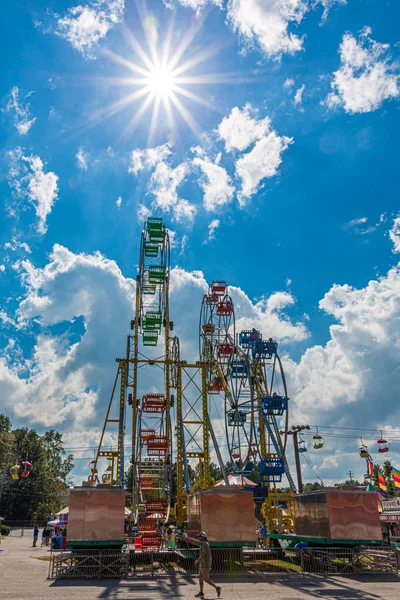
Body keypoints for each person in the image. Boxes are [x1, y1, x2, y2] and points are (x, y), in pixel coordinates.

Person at [194, 532, 221, 598]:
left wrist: (198, 560)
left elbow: (203, 554)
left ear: (202, 537)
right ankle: (201, 592)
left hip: (205, 564)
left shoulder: (205, 544)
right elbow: (196, 542)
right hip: (202, 563)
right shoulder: (203, 543)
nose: (199, 538)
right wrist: (187, 539)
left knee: (206, 579)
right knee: (200, 578)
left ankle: (217, 587)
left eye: (199, 537)